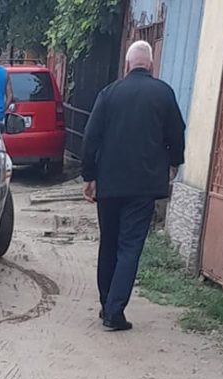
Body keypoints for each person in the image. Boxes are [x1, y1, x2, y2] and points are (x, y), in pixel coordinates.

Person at [80, 41, 186, 331]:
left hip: (110, 184)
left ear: (127, 65)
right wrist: (175, 162)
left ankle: (106, 306)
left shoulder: (109, 94)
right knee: (129, 247)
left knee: (109, 243)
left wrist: (89, 176)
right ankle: (115, 311)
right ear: (150, 65)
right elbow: (177, 132)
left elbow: (91, 136)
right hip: (143, 185)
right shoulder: (163, 94)